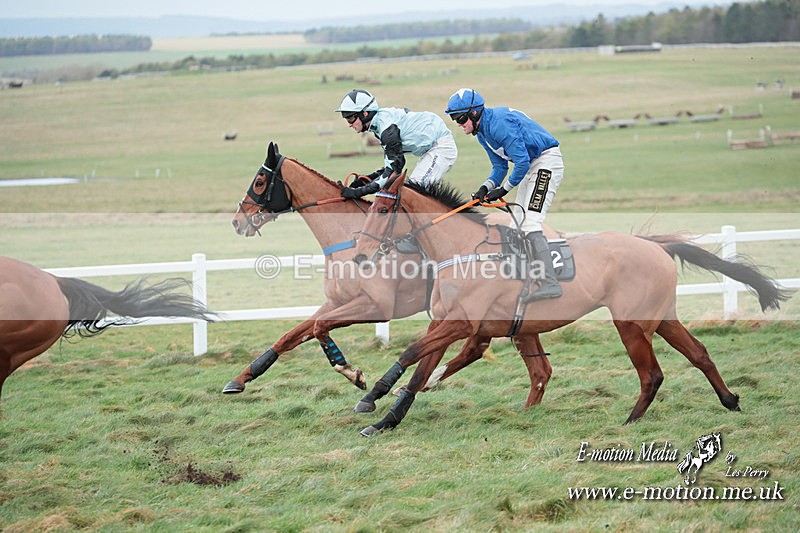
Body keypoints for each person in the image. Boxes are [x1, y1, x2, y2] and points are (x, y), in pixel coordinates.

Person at [445, 88, 564, 301]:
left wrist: (503, 189)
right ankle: (526, 276)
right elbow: (499, 167)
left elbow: (521, 162)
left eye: (461, 118)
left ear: (474, 113)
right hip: (531, 167)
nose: (459, 123)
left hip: (546, 163)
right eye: (455, 119)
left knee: (530, 223)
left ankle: (551, 283)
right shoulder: (481, 133)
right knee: (516, 225)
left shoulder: (499, 124)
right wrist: (486, 187)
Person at [335, 89, 458, 199]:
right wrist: (367, 179)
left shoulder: (387, 130)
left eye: (350, 119)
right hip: (430, 149)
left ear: (365, 114)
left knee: (409, 194)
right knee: (398, 193)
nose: (349, 124)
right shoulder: (380, 124)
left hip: (440, 148)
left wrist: (359, 192)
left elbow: (393, 172)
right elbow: (392, 165)